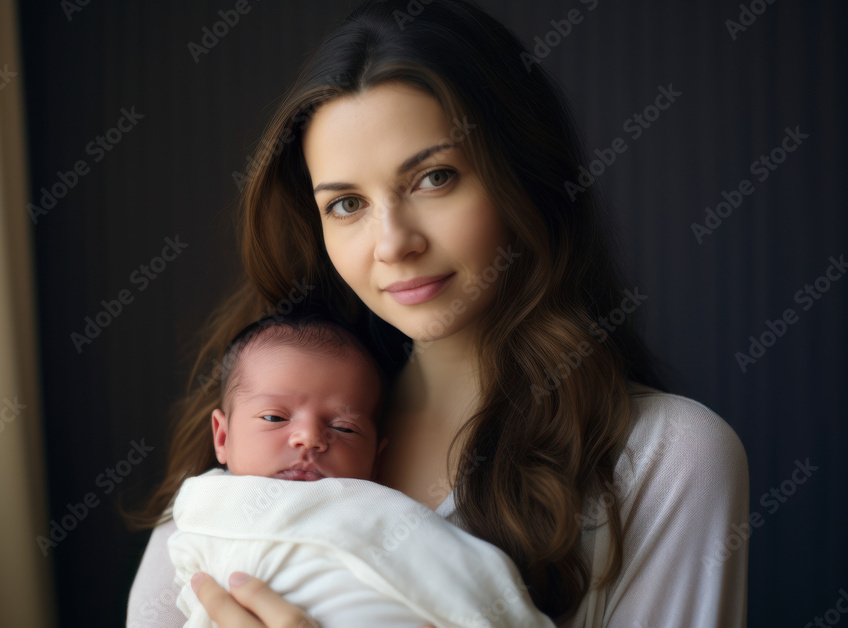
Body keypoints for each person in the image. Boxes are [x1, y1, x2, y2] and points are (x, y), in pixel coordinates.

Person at [126, 1, 750, 626]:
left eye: (435, 178)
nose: (394, 243)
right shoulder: (260, 432)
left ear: (524, 177)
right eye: (346, 204)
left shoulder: (664, 460)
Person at [167, 311, 555, 627]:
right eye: (273, 417)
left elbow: (464, 570)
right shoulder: (203, 506)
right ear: (222, 437)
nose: (309, 438)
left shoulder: (377, 509)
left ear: (376, 460)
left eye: (343, 427)